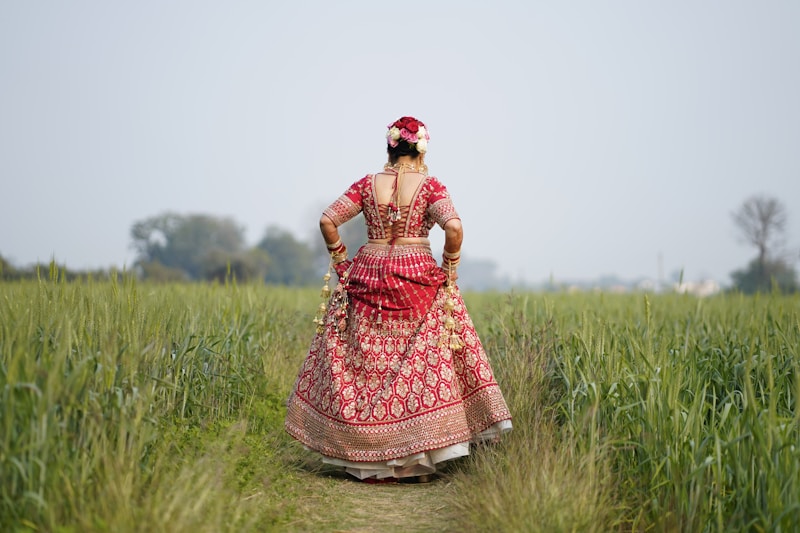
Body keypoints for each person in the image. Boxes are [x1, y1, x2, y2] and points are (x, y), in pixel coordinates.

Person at [284, 116, 512, 483]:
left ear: (390, 147)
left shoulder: (367, 184)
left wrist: (342, 260)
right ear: (421, 149)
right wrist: (449, 269)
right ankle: (412, 456)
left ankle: (363, 455)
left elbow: (328, 219)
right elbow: (453, 227)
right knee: (416, 360)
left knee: (365, 361)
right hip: (417, 275)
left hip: (369, 270)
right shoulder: (430, 186)